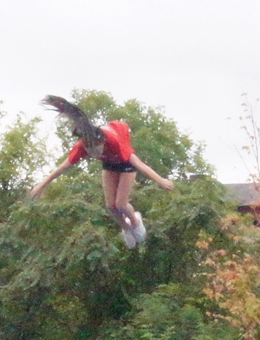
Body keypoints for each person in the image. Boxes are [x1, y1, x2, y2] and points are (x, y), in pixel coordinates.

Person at [29, 95, 174, 249]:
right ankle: (126, 228)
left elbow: (139, 164)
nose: (94, 154)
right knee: (111, 206)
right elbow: (62, 168)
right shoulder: (82, 146)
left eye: (96, 150)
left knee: (121, 204)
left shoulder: (114, 142)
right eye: (90, 151)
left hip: (126, 164)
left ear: (102, 142)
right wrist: (41, 185)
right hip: (110, 164)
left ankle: (136, 222)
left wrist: (161, 181)